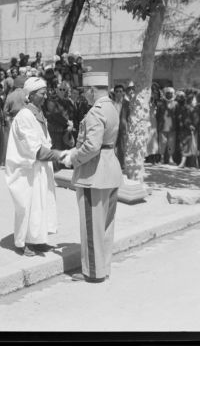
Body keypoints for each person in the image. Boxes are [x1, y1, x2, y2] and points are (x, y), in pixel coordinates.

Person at [62, 72, 122, 283]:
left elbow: (91, 146)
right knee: (105, 225)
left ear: (91, 90)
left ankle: (93, 272)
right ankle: (103, 268)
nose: (83, 96)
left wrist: (73, 158)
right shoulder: (112, 108)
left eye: (84, 92)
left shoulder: (95, 112)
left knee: (91, 225)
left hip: (94, 173)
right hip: (111, 170)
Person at [5, 77, 62, 257]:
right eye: (41, 94)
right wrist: (62, 155)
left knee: (41, 204)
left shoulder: (38, 113)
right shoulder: (24, 116)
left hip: (41, 169)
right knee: (28, 205)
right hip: (27, 170)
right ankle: (24, 243)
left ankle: (38, 240)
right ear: (30, 95)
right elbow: (36, 150)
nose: (45, 97)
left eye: (45, 93)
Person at [157, 86, 177, 165]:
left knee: (171, 143)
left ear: (173, 94)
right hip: (163, 127)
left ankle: (170, 159)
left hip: (172, 127)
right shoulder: (160, 104)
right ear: (165, 94)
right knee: (162, 143)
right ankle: (161, 159)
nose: (169, 95)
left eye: (171, 93)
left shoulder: (176, 104)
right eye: (167, 93)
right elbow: (158, 115)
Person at [112, 84, 130, 171]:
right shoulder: (111, 103)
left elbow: (129, 116)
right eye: (117, 91)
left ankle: (122, 165)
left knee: (122, 147)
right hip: (112, 128)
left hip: (123, 128)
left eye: (120, 91)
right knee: (111, 146)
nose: (119, 93)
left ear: (123, 93)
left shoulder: (127, 103)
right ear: (114, 93)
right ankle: (111, 164)